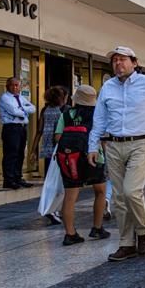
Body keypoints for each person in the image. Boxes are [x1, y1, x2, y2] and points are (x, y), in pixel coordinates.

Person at [88, 46, 145, 262]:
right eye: (114, 60)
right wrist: (92, 146)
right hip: (113, 145)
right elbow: (99, 119)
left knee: (132, 192)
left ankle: (143, 231)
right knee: (119, 197)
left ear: (134, 62)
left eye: (122, 59)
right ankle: (126, 243)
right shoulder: (108, 87)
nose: (118, 63)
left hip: (139, 143)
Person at [55, 85, 111, 245]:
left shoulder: (66, 114)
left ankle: (70, 234)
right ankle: (97, 228)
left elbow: (57, 137)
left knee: (70, 197)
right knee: (100, 192)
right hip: (94, 158)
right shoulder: (97, 116)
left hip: (70, 159)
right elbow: (103, 139)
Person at [29, 86, 67, 224]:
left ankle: (52, 208)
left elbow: (39, 131)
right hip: (59, 148)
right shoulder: (64, 110)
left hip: (47, 148)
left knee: (49, 179)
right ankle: (54, 209)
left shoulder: (45, 110)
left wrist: (33, 150)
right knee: (60, 180)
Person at [0, 77, 37, 189]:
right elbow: (14, 111)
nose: (15, 87)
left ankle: (17, 177)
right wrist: (24, 110)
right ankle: (8, 180)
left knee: (20, 153)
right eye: (13, 85)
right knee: (11, 154)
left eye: (17, 85)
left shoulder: (20, 97)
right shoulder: (4, 97)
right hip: (11, 128)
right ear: (7, 86)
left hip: (22, 128)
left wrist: (21, 108)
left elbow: (33, 108)